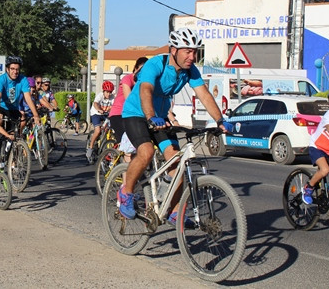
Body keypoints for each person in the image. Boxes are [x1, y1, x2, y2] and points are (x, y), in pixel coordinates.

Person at [118, 28, 232, 222]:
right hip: (137, 113)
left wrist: (219, 120)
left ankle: (174, 211)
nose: (192, 56)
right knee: (146, 152)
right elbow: (146, 89)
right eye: (187, 51)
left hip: (160, 118)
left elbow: (203, 93)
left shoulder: (189, 71)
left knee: (177, 162)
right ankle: (126, 193)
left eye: (195, 51)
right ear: (173, 50)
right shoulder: (156, 64)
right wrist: (151, 116)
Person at [0, 56, 41, 135]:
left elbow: (28, 97)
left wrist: (35, 115)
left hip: (13, 108)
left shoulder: (23, 79)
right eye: (12, 69)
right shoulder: (1, 79)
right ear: (7, 69)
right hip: (0, 106)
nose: (15, 72)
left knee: (12, 133)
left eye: (17, 69)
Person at [108, 57, 148, 145]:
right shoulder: (127, 79)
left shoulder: (144, 83)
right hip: (118, 113)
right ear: (136, 68)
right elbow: (130, 100)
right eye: (141, 69)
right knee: (127, 143)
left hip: (133, 114)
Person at [85, 80, 115, 164]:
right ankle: (90, 147)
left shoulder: (112, 98)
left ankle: (106, 146)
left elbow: (115, 106)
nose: (108, 94)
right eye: (107, 92)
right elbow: (95, 103)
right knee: (97, 130)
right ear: (103, 91)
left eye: (110, 92)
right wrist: (99, 109)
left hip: (106, 114)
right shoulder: (100, 96)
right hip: (96, 113)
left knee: (111, 129)